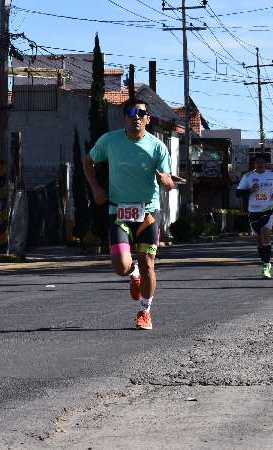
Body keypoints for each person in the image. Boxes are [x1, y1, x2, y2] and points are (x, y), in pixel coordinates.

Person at [83, 97, 174, 330]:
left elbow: (169, 181)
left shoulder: (157, 147)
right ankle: (133, 273)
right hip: (119, 210)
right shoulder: (110, 141)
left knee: (148, 263)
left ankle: (145, 311)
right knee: (121, 266)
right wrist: (96, 188)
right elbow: (88, 162)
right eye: (131, 112)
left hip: (148, 212)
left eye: (141, 113)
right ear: (124, 116)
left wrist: (166, 180)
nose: (136, 116)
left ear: (148, 119)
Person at [236, 156, 273, 279]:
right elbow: (238, 193)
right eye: (257, 162)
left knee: (265, 233)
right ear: (254, 164)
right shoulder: (248, 176)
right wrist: (249, 190)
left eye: (262, 162)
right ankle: (265, 262)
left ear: (265, 164)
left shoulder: (272, 175)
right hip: (253, 211)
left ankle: (266, 266)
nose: (260, 164)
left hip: (267, 209)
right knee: (259, 240)